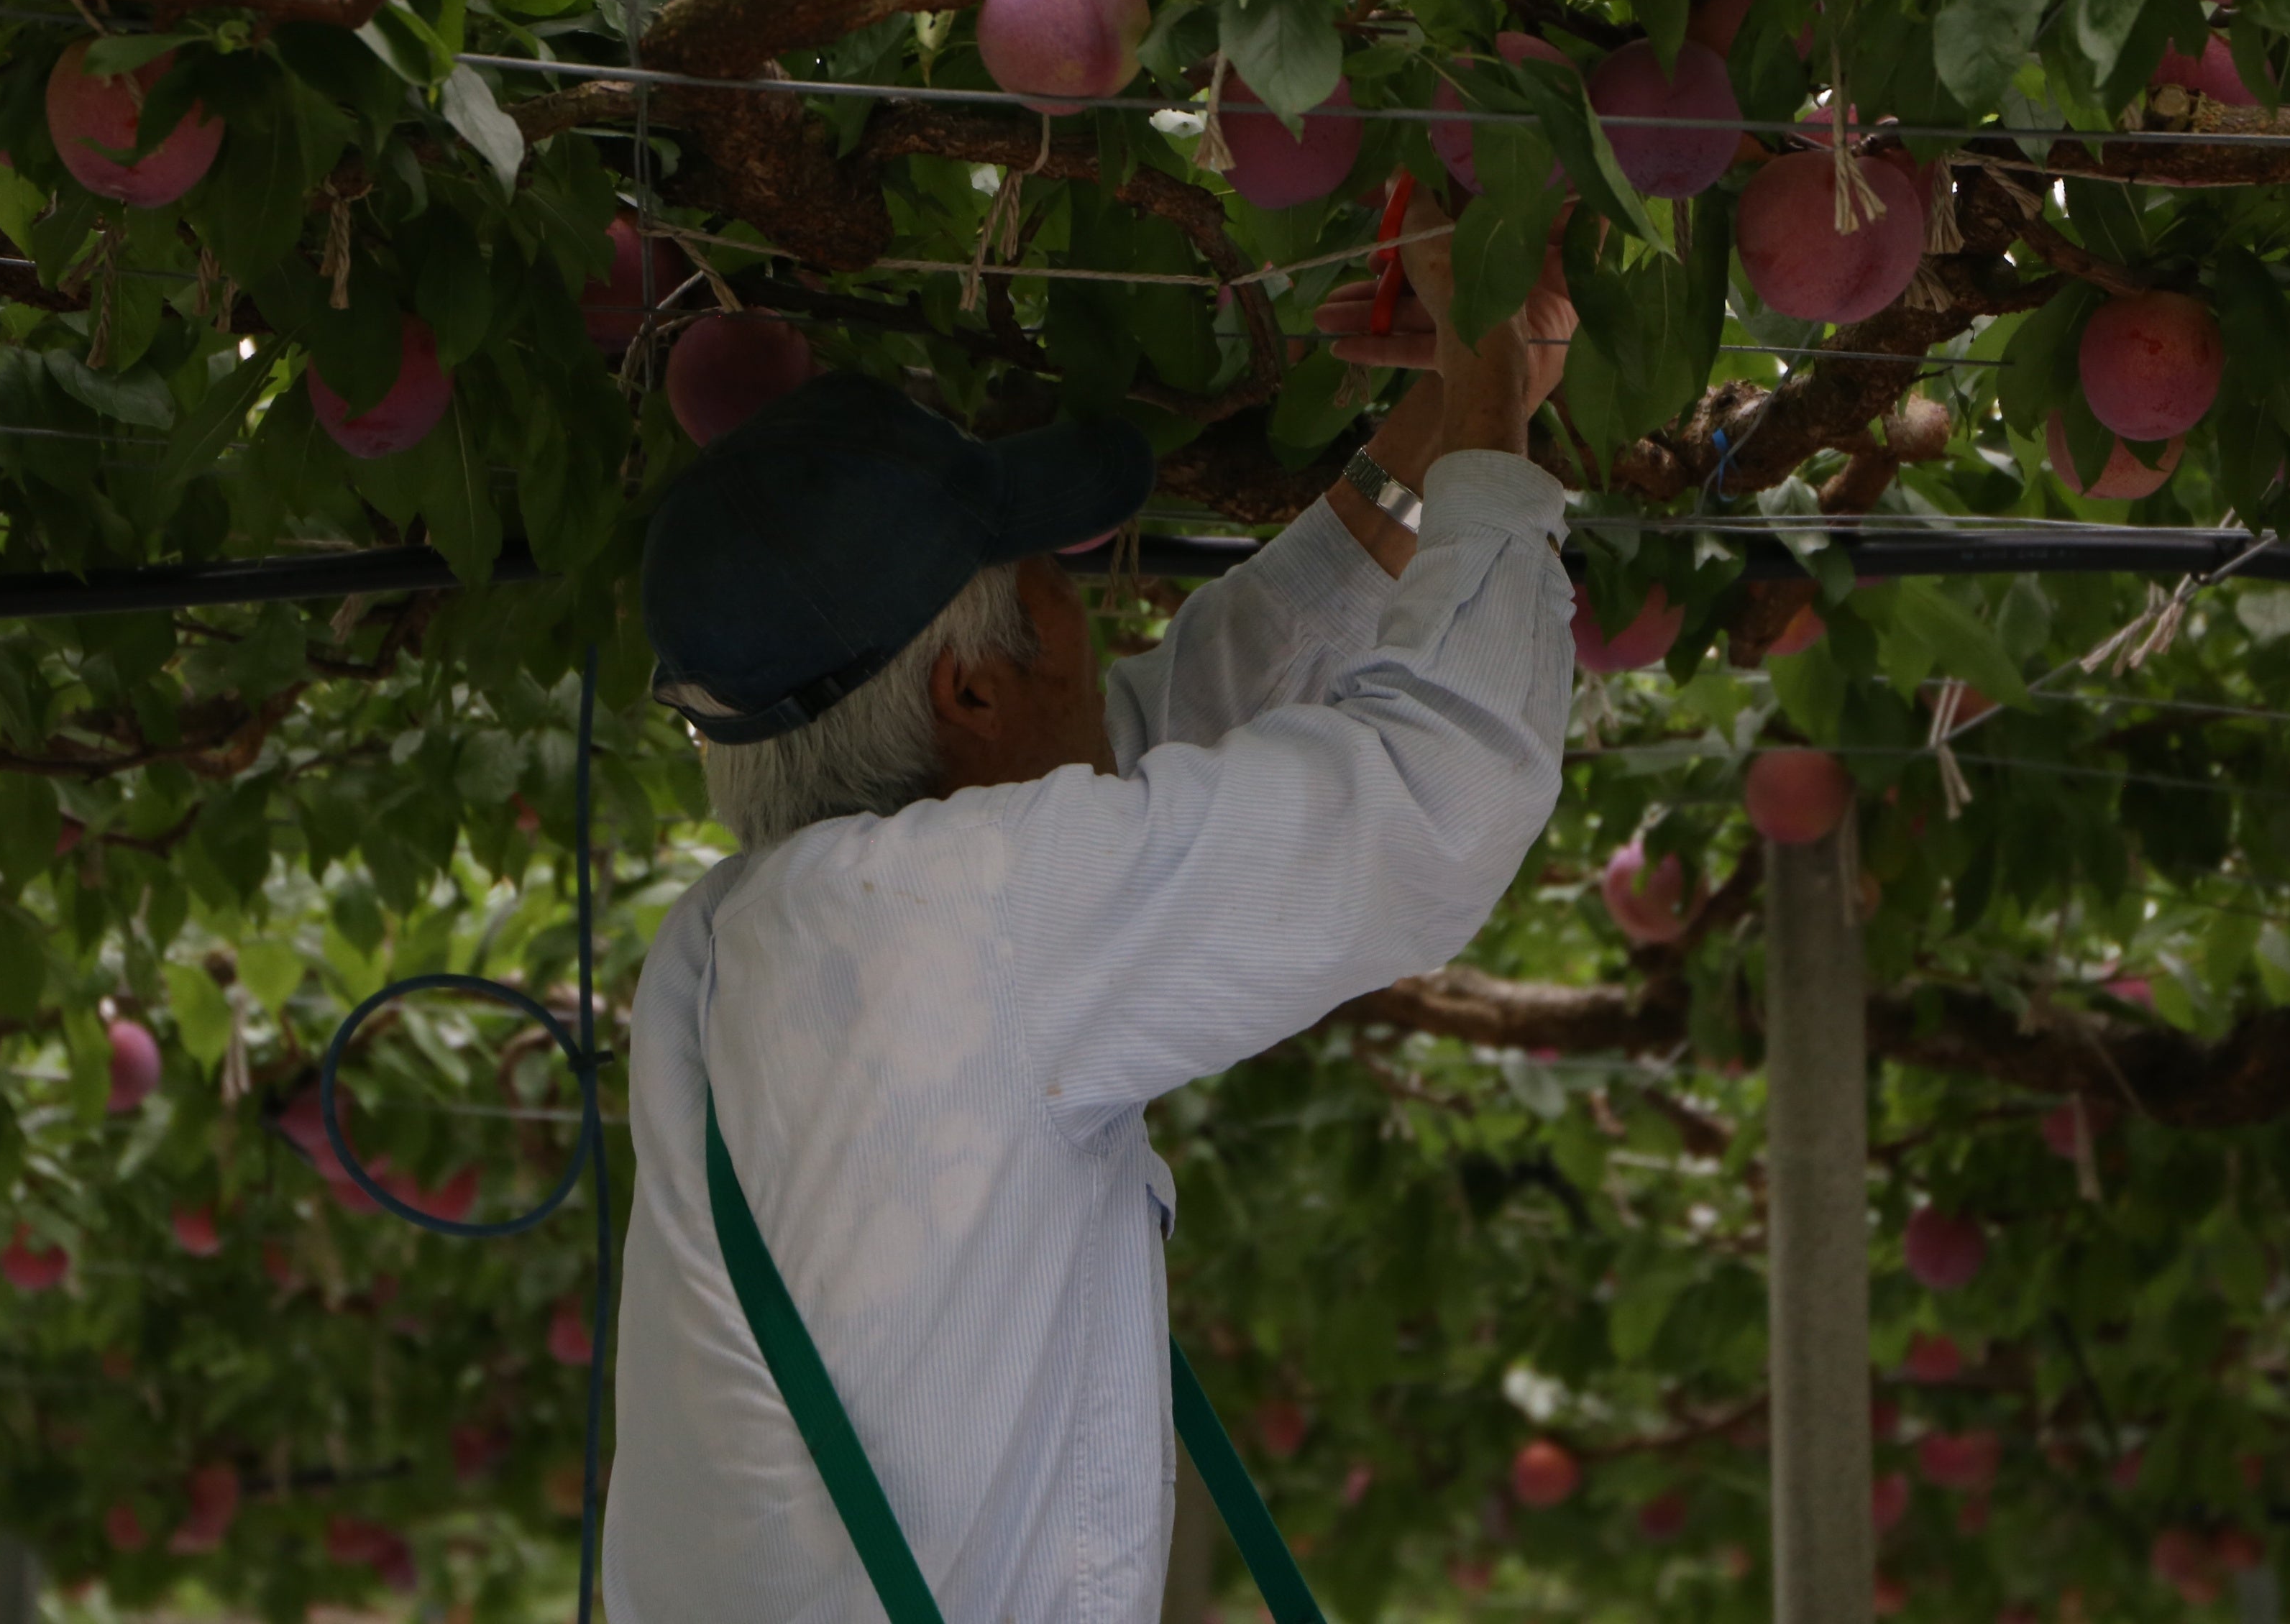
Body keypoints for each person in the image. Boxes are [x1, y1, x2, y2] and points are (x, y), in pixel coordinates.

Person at [603, 190, 1577, 1622]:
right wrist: (1493, 396)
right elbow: (1442, 789)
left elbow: (1183, 722)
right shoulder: (963, 913)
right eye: (1054, 584)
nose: (1091, 615)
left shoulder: (762, 933)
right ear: (971, 688)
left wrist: (1436, 430)